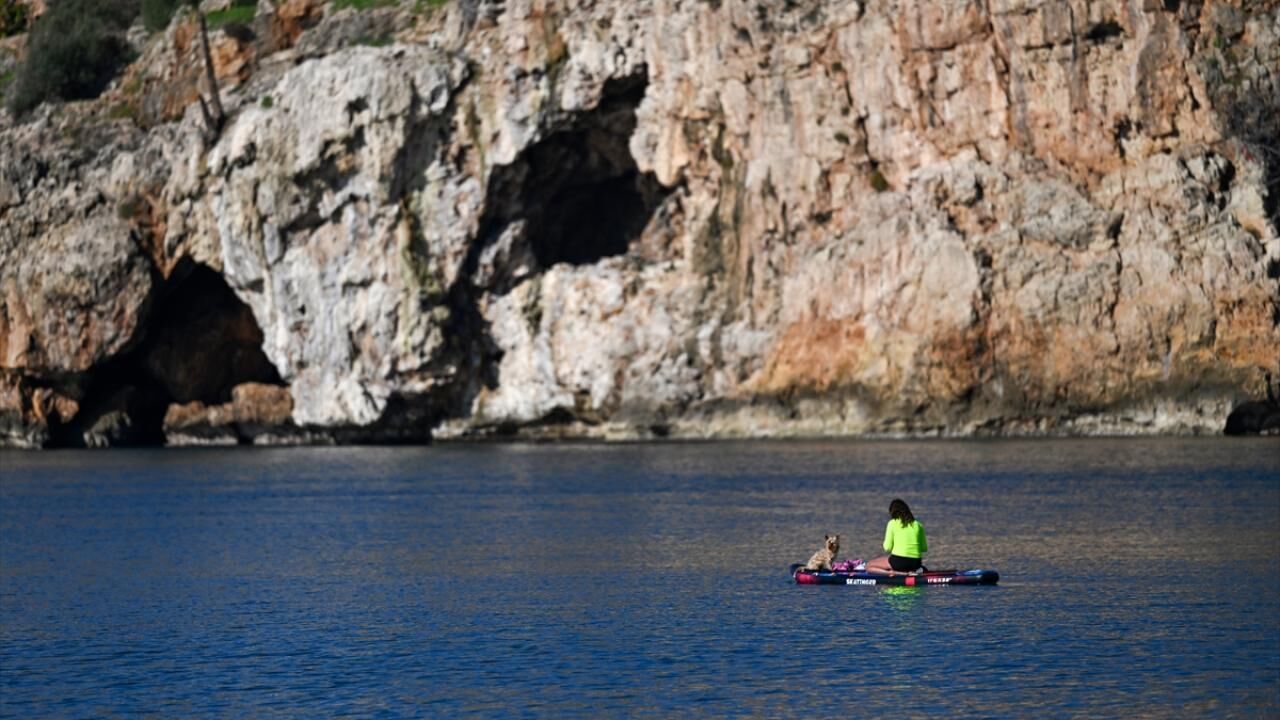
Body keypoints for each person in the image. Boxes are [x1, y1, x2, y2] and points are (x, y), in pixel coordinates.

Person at [864, 498, 927, 574]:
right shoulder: (918, 525)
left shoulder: (892, 523)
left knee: (868, 566)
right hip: (916, 563)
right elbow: (924, 548)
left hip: (899, 563)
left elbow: (887, 548)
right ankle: (912, 571)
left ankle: (894, 573)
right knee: (896, 561)